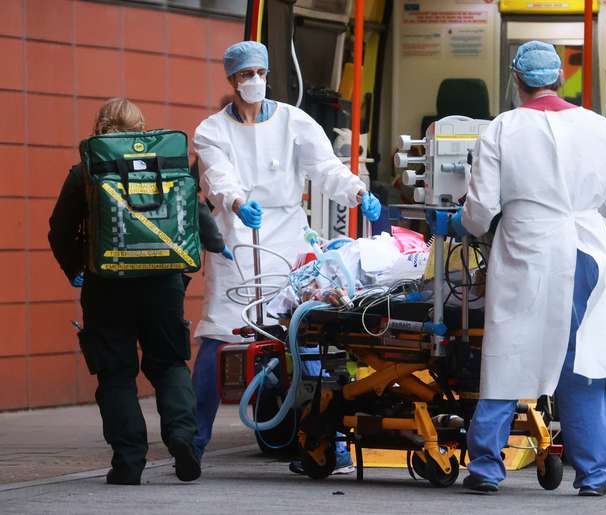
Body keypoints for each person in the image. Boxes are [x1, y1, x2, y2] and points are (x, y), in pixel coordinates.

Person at [451, 41, 606, 496]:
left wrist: (462, 222)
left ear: (515, 80)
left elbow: (479, 209)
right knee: (583, 365)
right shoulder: (602, 128)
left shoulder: (502, 129)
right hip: (585, 254)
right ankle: (594, 476)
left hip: (527, 254)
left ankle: (485, 467)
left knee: (508, 356)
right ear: (559, 78)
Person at [191, 41, 381, 473]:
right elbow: (217, 177)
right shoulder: (211, 131)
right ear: (232, 80)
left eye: (259, 72)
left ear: (268, 74)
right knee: (219, 337)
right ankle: (193, 443)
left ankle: (328, 446)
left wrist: (357, 192)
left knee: (309, 336)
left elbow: (325, 167)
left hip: (290, 240)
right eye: (245, 75)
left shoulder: (295, 120)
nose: (253, 80)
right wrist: (237, 203)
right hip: (238, 240)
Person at [48, 98, 227, 485]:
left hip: (106, 284)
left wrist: (73, 268)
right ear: (142, 128)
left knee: (115, 373)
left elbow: (59, 228)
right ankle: (182, 438)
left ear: (100, 127)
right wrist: (215, 244)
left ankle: (128, 462)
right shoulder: (165, 165)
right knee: (168, 363)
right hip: (163, 283)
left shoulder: (87, 169)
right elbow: (198, 217)